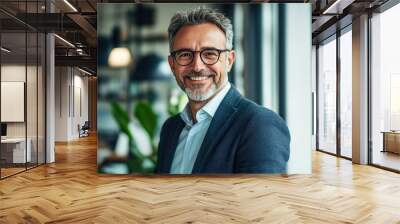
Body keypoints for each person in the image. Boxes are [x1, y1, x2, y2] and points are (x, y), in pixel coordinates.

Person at [155, 7, 290, 174]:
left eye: (210, 53)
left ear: (229, 61)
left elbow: (260, 198)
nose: (197, 66)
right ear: (172, 64)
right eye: (185, 54)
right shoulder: (170, 128)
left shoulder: (260, 125)